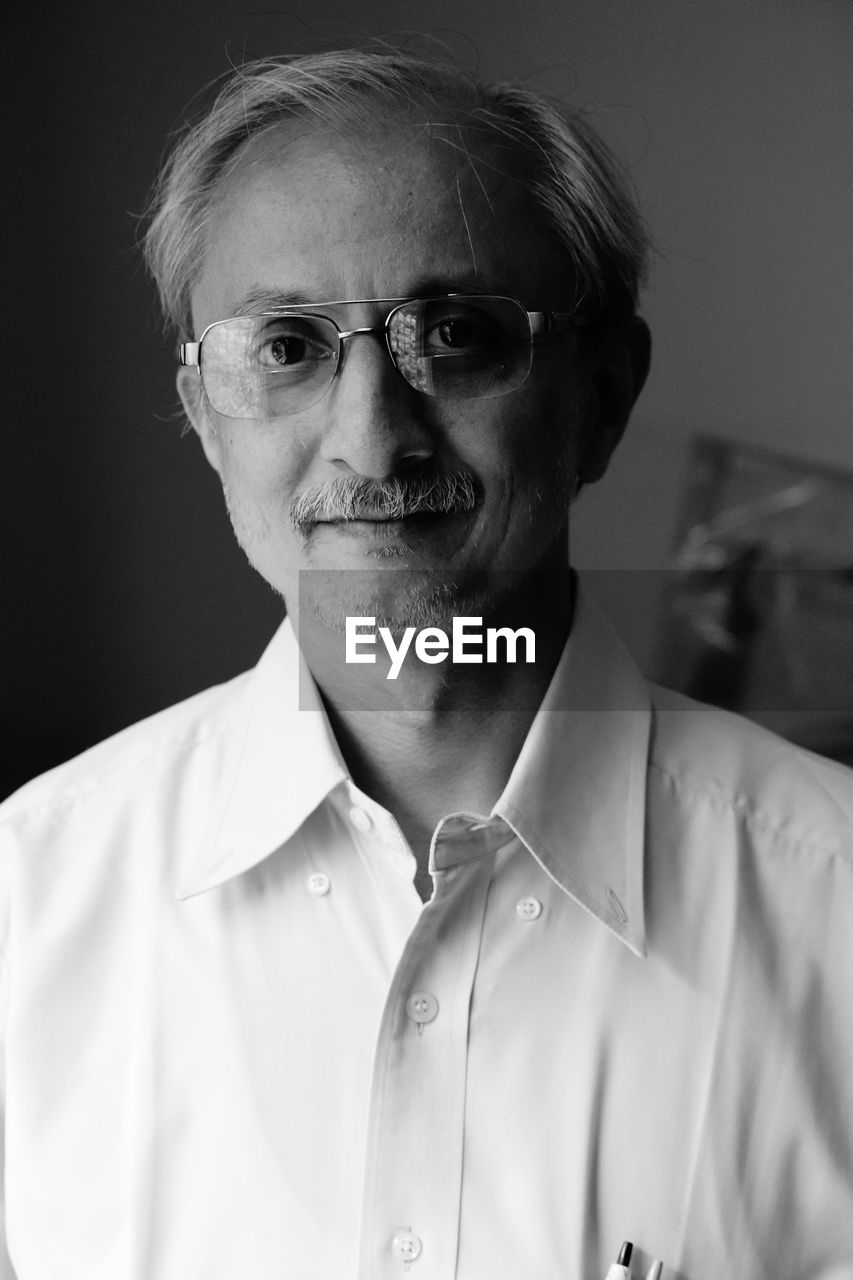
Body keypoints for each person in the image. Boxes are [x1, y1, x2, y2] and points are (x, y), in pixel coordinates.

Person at [1, 48, 851, 1280]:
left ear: (601, 394)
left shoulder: (833, 899)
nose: (371, 438)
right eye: (286, 345)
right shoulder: (28, 907)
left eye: (454, 334)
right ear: (202, 412)